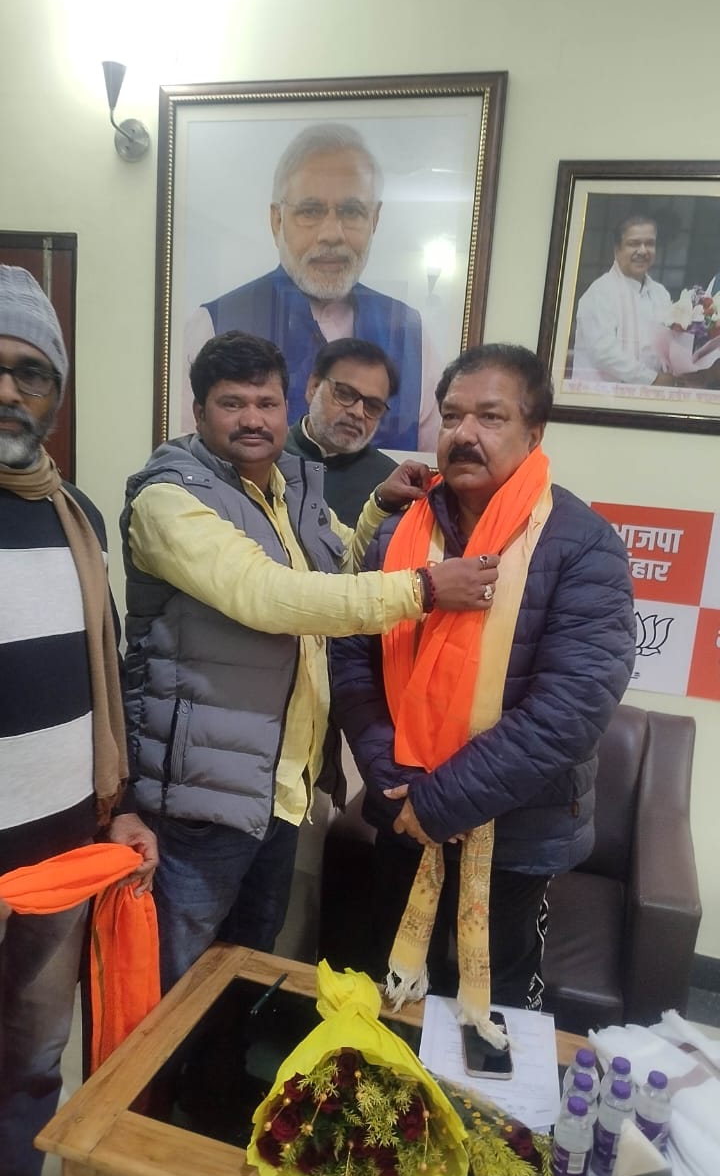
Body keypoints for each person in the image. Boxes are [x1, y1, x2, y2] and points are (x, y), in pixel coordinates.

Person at [120, 331, 497, 994]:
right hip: (199, 793)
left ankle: (227, 1066)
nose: (253, 419)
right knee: (174, 980)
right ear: (199, 411)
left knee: (247, 966)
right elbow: (268, 596)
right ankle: (162, 1069)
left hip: (278, 783)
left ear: (285, 405)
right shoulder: (169, 498)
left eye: (266, 403)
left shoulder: (285, 488)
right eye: (232, 404)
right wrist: (425, 589)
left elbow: (333, 570)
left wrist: (380, 507)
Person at [330, 343, 636, 1019]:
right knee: (390, 996)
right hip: (402, 810)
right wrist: (387, 772)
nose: (464, 434)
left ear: (534, 432)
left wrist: (439, 802)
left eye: (490, 417)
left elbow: (571, 707)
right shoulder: (399, 534)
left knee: (491, 1015)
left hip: (516, 833)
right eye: (451, 416)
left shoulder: (582, 544)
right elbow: (351, 654)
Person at [0, 267, 158, 1176]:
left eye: (30, 372)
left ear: (55, 393)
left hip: (60, 851)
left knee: (32, 1059)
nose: (8, 391)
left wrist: (121, 805)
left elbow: (105, 678)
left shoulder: (79, 517)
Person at [182, 123, 438, 450]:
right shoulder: (212, 325)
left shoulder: (413, 335)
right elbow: (188, 460)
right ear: (277, 220)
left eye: (351, 211)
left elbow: (431, 466)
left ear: (374, 220)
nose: (331, 233)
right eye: (310, 211)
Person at [284, 337, 398, 525]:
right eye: (345, 393)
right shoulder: (267, 458)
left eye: (373, 406)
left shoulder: (388, 484)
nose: (358, 413)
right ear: (313, 387)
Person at [570, 215, 674, 386]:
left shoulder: (661, 294)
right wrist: (653, 379)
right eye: (634, 243)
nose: (643, 251)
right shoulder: (599, 292)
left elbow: (667, 348)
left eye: (649, 243)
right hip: (601, 397)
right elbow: (604, 352)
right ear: (617, 249)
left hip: (651, 396)